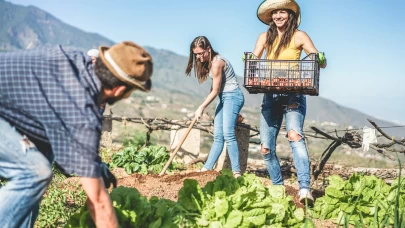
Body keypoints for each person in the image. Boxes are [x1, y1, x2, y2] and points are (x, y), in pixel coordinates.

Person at [0, 41, 153, 227]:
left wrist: (96, 166)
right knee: (35, 172)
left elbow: (74, 151)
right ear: (119, 90)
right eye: (130, 92)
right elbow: (98, 202)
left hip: (10, 111)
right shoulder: (80, 107)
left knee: (43, 155)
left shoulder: (76, 63)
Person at [252, 0, 327, 204]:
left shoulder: (299, 36)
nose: (278, 16)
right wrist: (249, 59)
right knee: (266, 148)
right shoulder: (264, 37)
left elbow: (318, 59)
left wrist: (320, 58)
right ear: (271, 16)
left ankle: (304, 189)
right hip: (271, 94)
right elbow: (254, 58)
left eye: (282, 12)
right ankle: (278, 187)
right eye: (275, 12)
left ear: (290, 15)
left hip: (294, 92)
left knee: (294, 136)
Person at [185, 36, 245, 178]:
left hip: (233, 96)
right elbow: (215, 89)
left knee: (228, 133)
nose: (199, 57)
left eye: (201, 53)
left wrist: (202, 107)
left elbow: (216, 90)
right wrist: (205, 104)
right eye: (196, 54)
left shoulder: (217, 63)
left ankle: (237, 172)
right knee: (218, 136)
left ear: (208, 49)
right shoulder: (210, 62)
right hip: (223, 97)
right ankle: (207, 168)